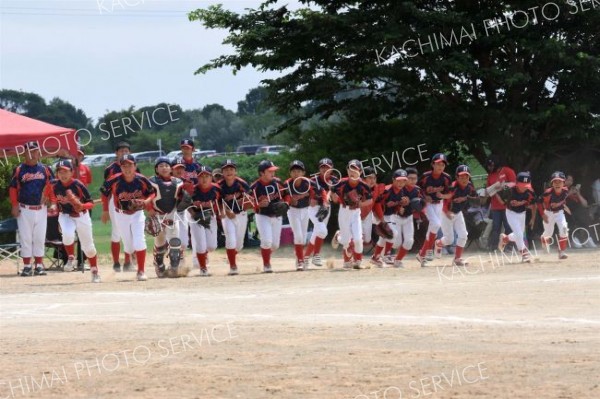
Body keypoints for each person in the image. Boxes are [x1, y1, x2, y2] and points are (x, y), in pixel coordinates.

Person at [101, 154, 156, 281]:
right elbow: (104, 193)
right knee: (129, 247)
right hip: (121, 215)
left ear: (135, 166)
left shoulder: (141, 179)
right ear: (120, 167)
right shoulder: (113, 180)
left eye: (130, 165)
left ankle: (141, 271)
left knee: (139, 241)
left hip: (137, 214)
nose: (127, 168)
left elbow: (152, 192)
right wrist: (105, 210)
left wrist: (147, 202)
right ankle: (132, 255)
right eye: (124, 166)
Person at [50, 160, 100, 282]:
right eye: (60, 171)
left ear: (72, 172)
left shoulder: (78, 185)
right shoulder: (55, 186)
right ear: (57, 173)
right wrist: (53, 205)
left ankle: (94, 271)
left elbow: (91, 203)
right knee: (67, 234)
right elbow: (52, 196)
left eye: (65, 171)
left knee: (89, 247)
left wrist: (83, 206)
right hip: (65, 215)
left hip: (82, 216)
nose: (63, 174)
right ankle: (71, 258)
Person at [9, 142, 54, 276]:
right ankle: (27, 266)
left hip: (41, 209)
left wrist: (51, 200)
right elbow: (12, 188)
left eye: (35, 151)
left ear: (39, 152)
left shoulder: (45, 169)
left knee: (40, 237)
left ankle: (39, 265)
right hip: (24, 208)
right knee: (26, 238)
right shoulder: (19, 169)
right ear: (24, 153)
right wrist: (14, 205)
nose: (33, 154)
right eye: (30, 151)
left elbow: (52, 185)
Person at [147, 157, 186, 277]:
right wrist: (149, 209)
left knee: (175, 241)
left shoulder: (179, 182)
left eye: (166, 165)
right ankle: (159, 264)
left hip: (172, 213)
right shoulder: (151, 181)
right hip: (157, 214)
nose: (164, 168)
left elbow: (183, 197)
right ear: (156, 169)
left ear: (171, 168)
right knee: (160, 243)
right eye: (161, 166)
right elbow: (145, 196)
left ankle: (174, 267)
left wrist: (185, 199)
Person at [284, 160, 326, 271]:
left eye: (298, 171)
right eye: (293, 171)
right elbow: (285, 197)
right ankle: (301, 261)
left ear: (303, 173)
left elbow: (322, 191)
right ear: (290, 173)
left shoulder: (308, 182)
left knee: (302, 239)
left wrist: (325, 202)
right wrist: (288, 202)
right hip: (293, 211)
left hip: (305, 211)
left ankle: (299, 257)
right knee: (298, 236)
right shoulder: (287, 183)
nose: (296, 173)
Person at [251, 160, 290, 273]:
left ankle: (265, 253)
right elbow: (247, 203)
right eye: (270, 171)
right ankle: (266, 264)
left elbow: (286, 195)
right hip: (262, 216)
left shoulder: (277, 182)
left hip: (277, 216)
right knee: (267, 241)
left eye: (274, 171)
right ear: (262, 173)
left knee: (275, 245)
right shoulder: (255, 186)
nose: (273, 173)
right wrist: (257, 204)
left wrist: (286, 203)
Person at [434, 165, 478, 266]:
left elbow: (473, 197)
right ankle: (438, 243)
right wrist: (447, 212)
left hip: (457, 213)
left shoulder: (470, 186)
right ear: (457, 177)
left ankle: (457, 259)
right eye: (461, 177)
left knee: (463, 235)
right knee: (449, 239)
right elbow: (445, 202)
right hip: (446, 213)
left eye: (466, 177)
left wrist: (465, 198)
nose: (464, 179)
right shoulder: (452, 187)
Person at [334, 160, 372, 269]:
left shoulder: (363, 186)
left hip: (355, 212)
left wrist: (361, 203)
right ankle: (339, 237)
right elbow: (332, 192)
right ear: (347, 170)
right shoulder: (341, 182)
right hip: (344, 212)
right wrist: (332, 197)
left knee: (358, 238)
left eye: (355, 169)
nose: (352, 171)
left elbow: (370, 200)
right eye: (350, 169)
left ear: (360, 172)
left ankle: (358, 261)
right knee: (346, 241)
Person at [103, 141, 135, 272]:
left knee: (130, 232)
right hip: (114, 201)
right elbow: (105, 191)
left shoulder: (134, 166)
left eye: (126, 151)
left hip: (130, 201)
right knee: (117, 232)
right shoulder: (110, 169)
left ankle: (128, 261)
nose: (123, 153)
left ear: (130, 152)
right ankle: (116, 262)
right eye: (121, 151)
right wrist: (105, 209)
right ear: (116, 153)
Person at [416, 153, 452, 266]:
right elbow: (417, 189)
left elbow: (450, 193)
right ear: (432, 164)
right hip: (427, 205)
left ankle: (422, 254)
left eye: (443, 164)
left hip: (439, 204)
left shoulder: (446, 178)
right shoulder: (426, 176)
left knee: (434, 229)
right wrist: (423, 197)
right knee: (435, 224)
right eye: (438, 164)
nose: (440, 166)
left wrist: (444, 198)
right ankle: (427, 251)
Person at [218, 159, 252, 275]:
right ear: (222, 172)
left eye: (231, 169)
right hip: (228, 217)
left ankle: (231, 256)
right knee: (230, 240)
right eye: (226, 169)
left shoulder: (241, 183)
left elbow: (251, 197)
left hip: (241, 215)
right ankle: (233, 266)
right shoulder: (219, 186)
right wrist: (226, 211)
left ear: (235, 171)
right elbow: (218, 201)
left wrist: (245, 201)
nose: (229, 171)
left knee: (239, 245)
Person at [304, 158, 338, 266]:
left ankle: (305, 258)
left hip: (326, 208)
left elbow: (336, 199)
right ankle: (316, 255)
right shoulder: (313, 180)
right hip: (314, 208)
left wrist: (332, 192)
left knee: (317, 233)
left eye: (327, 167)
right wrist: (310, 199)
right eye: (322, 167)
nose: (325, 169)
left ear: (331, 168)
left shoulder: (334, 180)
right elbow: (308, 197)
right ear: (319, 169)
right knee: (322, 231)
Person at [188, 166, 220, 276]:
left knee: (212, 246)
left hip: (210, 218)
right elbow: (184, 203)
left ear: (211, 177)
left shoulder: (216, 189)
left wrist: (219, 212)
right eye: (201, 176)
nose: (204, 179)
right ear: (197, 178)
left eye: (207, 176)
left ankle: (205, 255)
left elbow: (221, 202)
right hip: (196, 218)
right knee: (201, 245)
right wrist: (192, 213)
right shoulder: (192, 190)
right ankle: (203, 268)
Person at [498, 172, 537, 262]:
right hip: (511, 213)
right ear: (516, 183)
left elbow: (534, 205)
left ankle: (505, 238)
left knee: (519, 235)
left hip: (522, 213)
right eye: (521, 184)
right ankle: (524, 254)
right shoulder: (510, 189)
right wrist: (505, 202)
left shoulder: (530, 192)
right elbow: (498, 194)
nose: (524, 187)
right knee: (519, 234)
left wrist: (533, 218)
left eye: (526, 185)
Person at [485, 154, 517, 252]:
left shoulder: (507, 170)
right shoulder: (490, 175)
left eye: (490, 165)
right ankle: (494, 247)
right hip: (495, 205)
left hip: (507, 205)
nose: (489, 168)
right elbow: (487, 191)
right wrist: (491, 190)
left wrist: (503, 186)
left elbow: (514, 183)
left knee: (508, 226)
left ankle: (509, 247)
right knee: (496, 227)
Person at [538, 171, 570, 260]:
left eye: (559, 181)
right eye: (555, 182)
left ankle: (561, 252)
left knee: (564, 229)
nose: (557, 184)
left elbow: (564, 200)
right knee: (548, 233)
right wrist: (542, 214)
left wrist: (558, 204)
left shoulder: (566, 191)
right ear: (552, 183)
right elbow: (539, 202)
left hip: (559, 213)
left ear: (564, 183)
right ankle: (543, 239)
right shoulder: (547, 193)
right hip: (548, 213)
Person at [565, 174, 596, 248]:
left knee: (585, 214)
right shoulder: (561, 189)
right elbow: (559, 200)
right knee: (580, 215)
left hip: (578, 211)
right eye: (568, 180)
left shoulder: (574, 190)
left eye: (571, 180)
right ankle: (574, 239)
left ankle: (587, 238)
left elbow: (585, 204)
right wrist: (569, 193)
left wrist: (578, 193)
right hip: (566, 211)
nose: (570, 182)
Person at [74, 146, 92, 271]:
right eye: (75, 154)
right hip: (68, 204)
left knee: (83, 232)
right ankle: (66, 259)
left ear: (82, 156)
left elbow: (88, 183)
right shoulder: (66, 168)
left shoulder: (86, 168)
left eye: (79, 154)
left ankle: (81, 261)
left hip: (83, 203)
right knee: (67, 232)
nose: (77, 157)